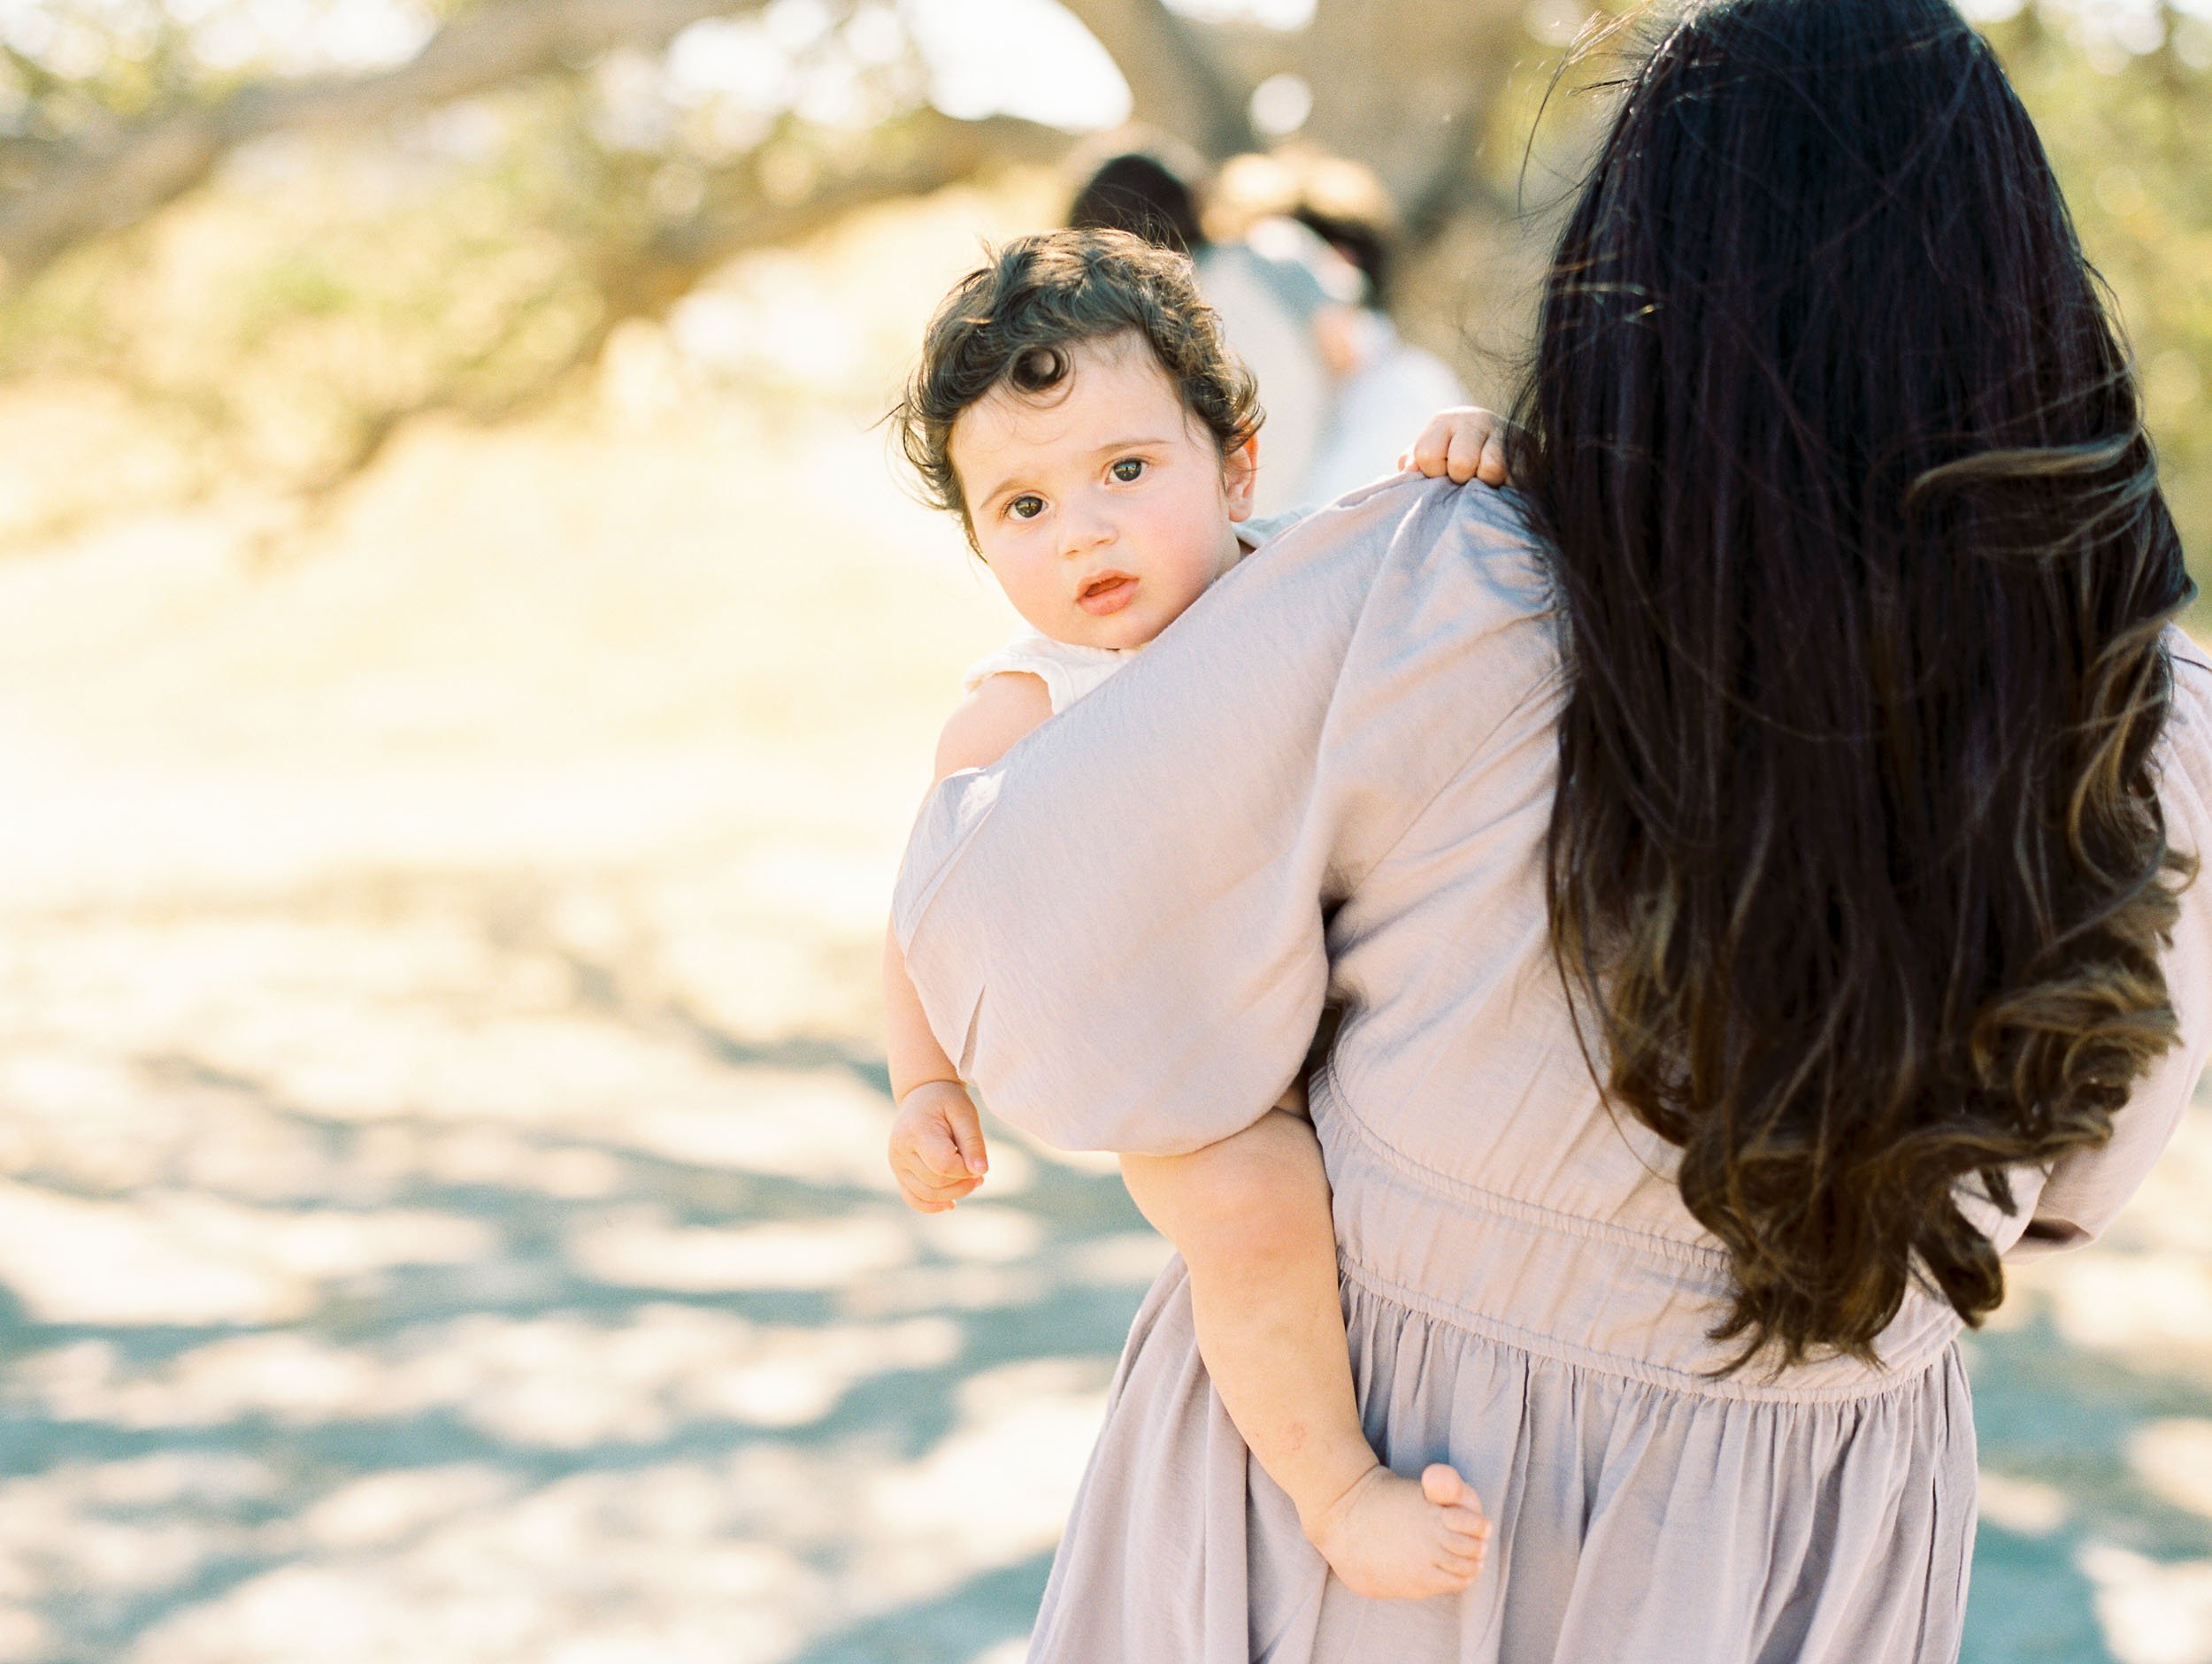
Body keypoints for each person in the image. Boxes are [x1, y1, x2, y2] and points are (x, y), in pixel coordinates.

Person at [888, 2, 2212, 1659]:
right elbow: (2079, 1175)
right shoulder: (2158, 728)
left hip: (1396, 1498)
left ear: (1640, 273)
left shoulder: (1447, 588)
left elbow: (1033, 965)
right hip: (1802, 1540)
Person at [879, 226, 1504, 1599]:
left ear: (1238, 467)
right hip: (1185, 1063)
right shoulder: (1025, 702)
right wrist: (925, 1078)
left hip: (1334, 990)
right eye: (1023, 508)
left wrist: (1469, 455)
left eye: (1124, 471)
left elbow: (1419, 565)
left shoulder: (1297, 583)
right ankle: (1338, 1490)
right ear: (980, 544)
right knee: (1253, 1210)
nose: (1084, 528)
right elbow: (933, 903)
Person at [1069, 147, 1356, 518]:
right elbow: (1351, 355)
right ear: (1194, 202)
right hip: (1328, 488)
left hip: (1233, 526)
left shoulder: (1116, 334)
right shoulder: (1271, 254)